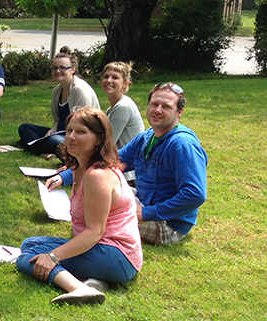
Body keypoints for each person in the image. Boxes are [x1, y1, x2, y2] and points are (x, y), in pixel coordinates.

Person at [17, 107, 142, 305]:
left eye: (81, 132)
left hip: (117, 256)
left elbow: (94, 233)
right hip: (106, 250)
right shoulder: (80, 167)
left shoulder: (97, 176)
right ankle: (94, 280)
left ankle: (79, 288)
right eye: (69, 131)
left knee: (28, 258)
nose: (72, 137)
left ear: (100, 139)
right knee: (30, 244)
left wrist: (52, 256)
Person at [57, 83, 207, 245]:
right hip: (143, 203)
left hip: (168, 225)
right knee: (96, 202)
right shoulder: (146, 137)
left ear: (179, 112)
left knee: (96, 219)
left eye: (166, 107)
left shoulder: (182, 145)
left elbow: (195, 194)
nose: (158, 110)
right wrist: (63, 177)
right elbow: (110, 163)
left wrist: (147, 213)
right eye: (154, 104)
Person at [18, 47, 100, 158]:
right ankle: (45, 150)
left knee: (53, 140)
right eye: (55, 68)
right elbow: (57, 119)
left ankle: (35, 147)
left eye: (63, 68)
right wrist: (53, 129)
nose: (57, 71)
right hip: (61, 132)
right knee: (25, 128)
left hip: (78, 134)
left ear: (73, 69)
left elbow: (83, 124)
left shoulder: (80, 90)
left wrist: (65, 135)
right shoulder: (57, 91)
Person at [101, 61, 144, 182]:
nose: (109, 80)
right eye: (106, 76)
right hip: (115, 165)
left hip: (128, 173)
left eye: (115, 77)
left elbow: (108, 143)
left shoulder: (123, 107)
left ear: (125, 83)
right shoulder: (112, 108)